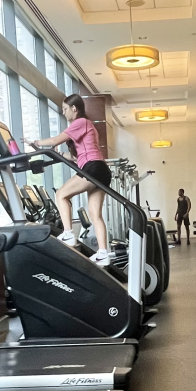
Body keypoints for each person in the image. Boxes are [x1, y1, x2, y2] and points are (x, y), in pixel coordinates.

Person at [27, 95, 111, 265]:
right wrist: (58, 154)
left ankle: (68, 233)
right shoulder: (87, 125)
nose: (63, 113)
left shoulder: (81, 122)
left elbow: (55, 140)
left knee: (61, 194)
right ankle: (103, 253)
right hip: (101, 169)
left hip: (93, 168)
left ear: (74, 108)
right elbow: (75, 157)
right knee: (95, 215)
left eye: (65, 109)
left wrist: (35, 142)